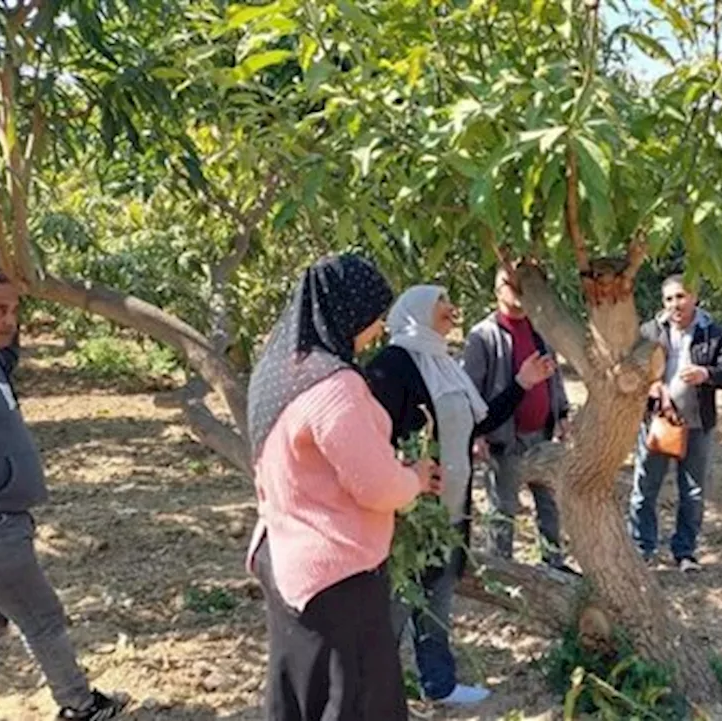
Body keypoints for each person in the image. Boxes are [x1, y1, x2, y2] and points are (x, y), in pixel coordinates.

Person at [245, 255, 439, 721]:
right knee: (353, 700)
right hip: (336, 572)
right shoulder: (335, 387)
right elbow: (375, 487)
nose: (376, 331)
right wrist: (414, 477)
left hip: (283, 555)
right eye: (373, 318)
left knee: (303, 691)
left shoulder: (278, 370)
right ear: (348, 313)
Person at [364, 285, 556, 706]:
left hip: (450, 505)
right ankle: (376, 694)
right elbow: (371, 436)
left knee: (438, 591)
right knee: (399, 597)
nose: (453, 309)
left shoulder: (443, 363)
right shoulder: (392, 366)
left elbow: (475, 425)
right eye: (442, 303)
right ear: (417, 311)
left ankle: (439, 684)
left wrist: (521, 384)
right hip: (408, 508)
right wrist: (402, 474)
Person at [0, 269, 125, 721]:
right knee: (42, 615)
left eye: (15, 311)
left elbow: (8, 347)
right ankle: (79, 705)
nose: (10, 321)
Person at [628, 275, 722, 571]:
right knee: (644, 488)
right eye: (669, 299)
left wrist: (707, 374)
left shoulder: (713, 333)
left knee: (692, 492)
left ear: (694, 297)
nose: (675, 304)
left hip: (697, 424)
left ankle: (685, 551)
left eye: (681, 296)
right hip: (657, 422)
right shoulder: (649, 332)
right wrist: (651, 387)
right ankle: (642, 548)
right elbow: (631, 371)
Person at [463, 268, 572, 569]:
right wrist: (476, 433)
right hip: (504, 438)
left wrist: (561, 413)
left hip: (541, 434)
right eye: (511, 284)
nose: (518, 291)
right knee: (503, 508)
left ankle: (554, 564)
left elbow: (555, 377)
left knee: (548, 504)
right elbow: (469, 389)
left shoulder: (540, 331)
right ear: (497, 290)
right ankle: (501, 571)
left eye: (523, 285)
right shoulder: (483, 336)